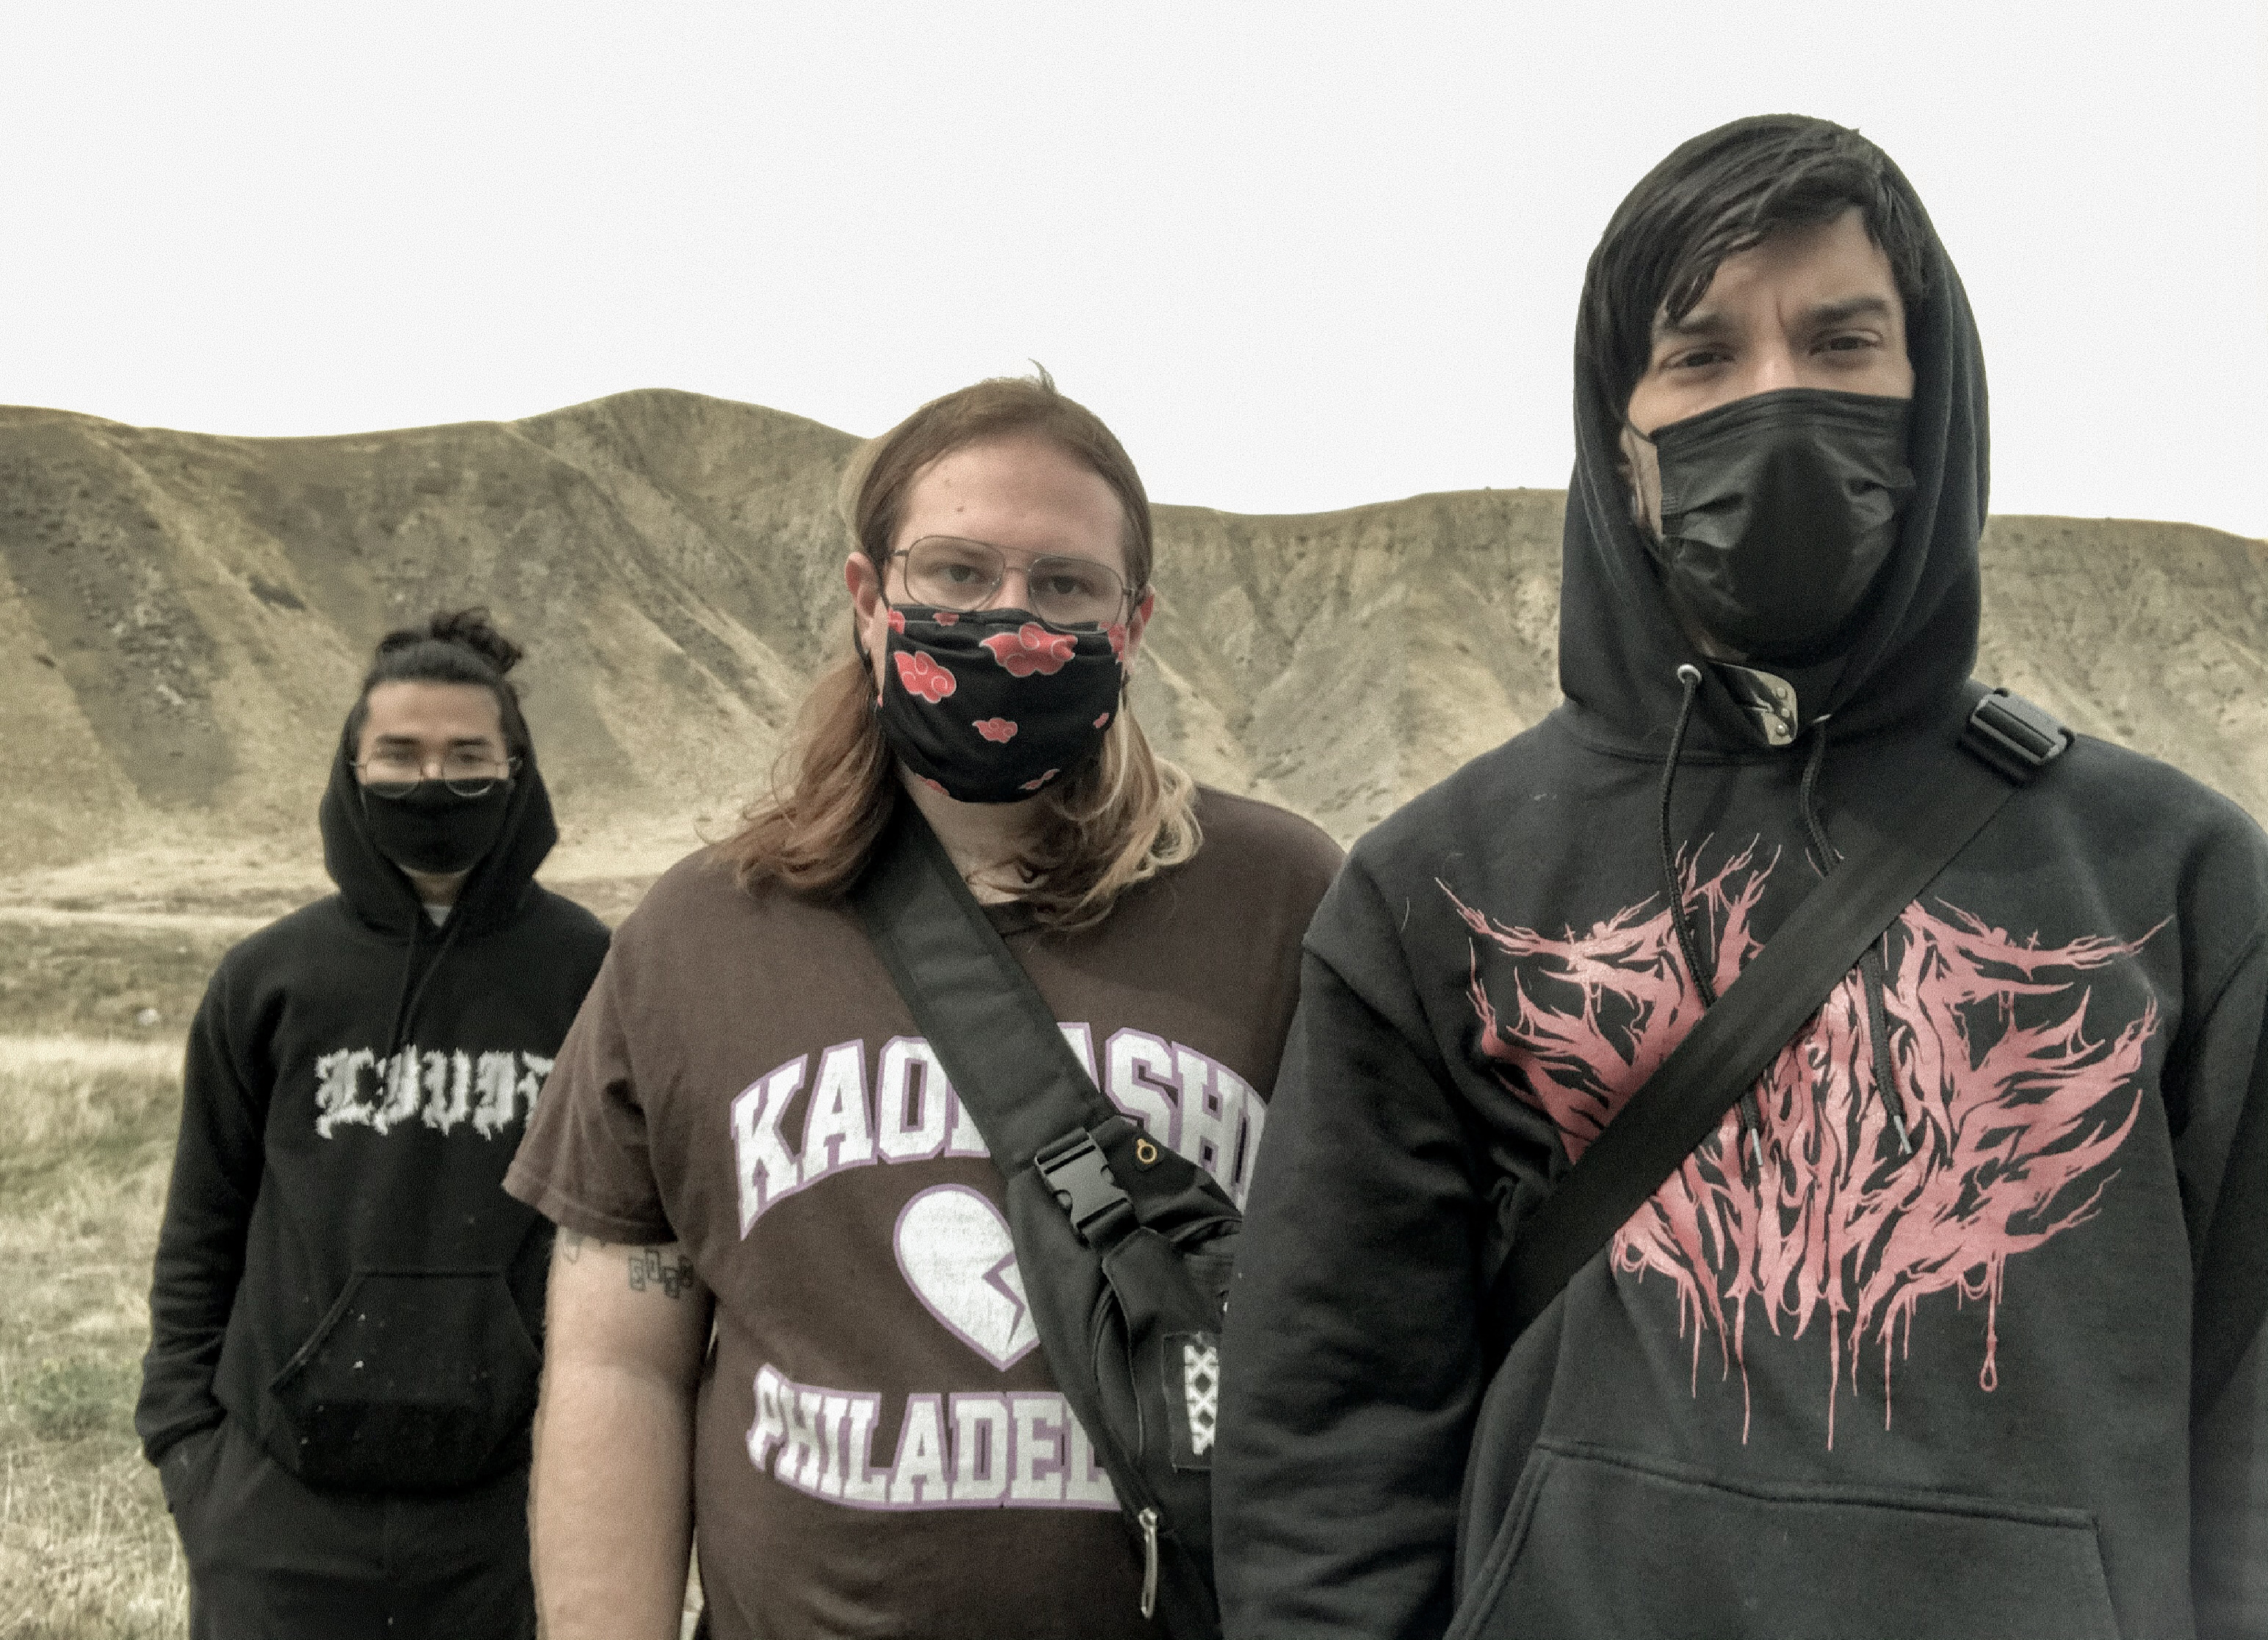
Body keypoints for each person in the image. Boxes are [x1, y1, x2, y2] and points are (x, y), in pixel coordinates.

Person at [1214, 115, 2268, 1639]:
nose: (1774, 396)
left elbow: (2250, 1422)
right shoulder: (1439, 884)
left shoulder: (2178, 880)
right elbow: (1329, 1435)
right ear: (1619, 436)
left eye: (1841, 342)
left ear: (1933, 402)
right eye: (1701, 356)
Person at [505, 372, 1342, 1640]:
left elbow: (1372, 1330)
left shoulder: (1281, 900)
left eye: (1065, 585)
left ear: (1135, 623)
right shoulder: (700, 935)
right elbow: (620, 1362)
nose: (1009, 621)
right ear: (869, 598)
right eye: (956, 573)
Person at [136, 610, 611, 1639]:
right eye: (399, 755)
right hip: (276, 1510)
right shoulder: (268, 980)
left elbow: (633, 1235)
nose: (432, 781)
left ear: (518, 770)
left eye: (467, 757)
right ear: (352, 770)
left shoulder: (593, 974)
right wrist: (190, 1455)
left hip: (513, 1506)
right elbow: (202, 1232)